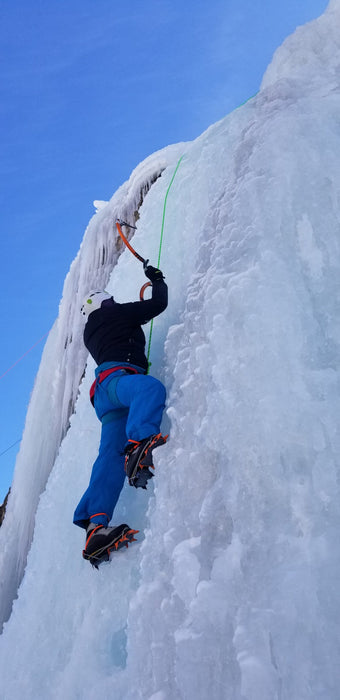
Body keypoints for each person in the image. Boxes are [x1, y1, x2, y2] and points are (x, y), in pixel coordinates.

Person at [73, 263, 168, 567]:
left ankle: (95, 528)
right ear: (102, 304)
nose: (113, 304)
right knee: (149, 390)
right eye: (109, 301)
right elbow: (158, 304)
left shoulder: (90, 332)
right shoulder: (113, 313)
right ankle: (140, 443)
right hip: (118, 383)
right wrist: (157, 279)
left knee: (109, 456)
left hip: (105, 395)